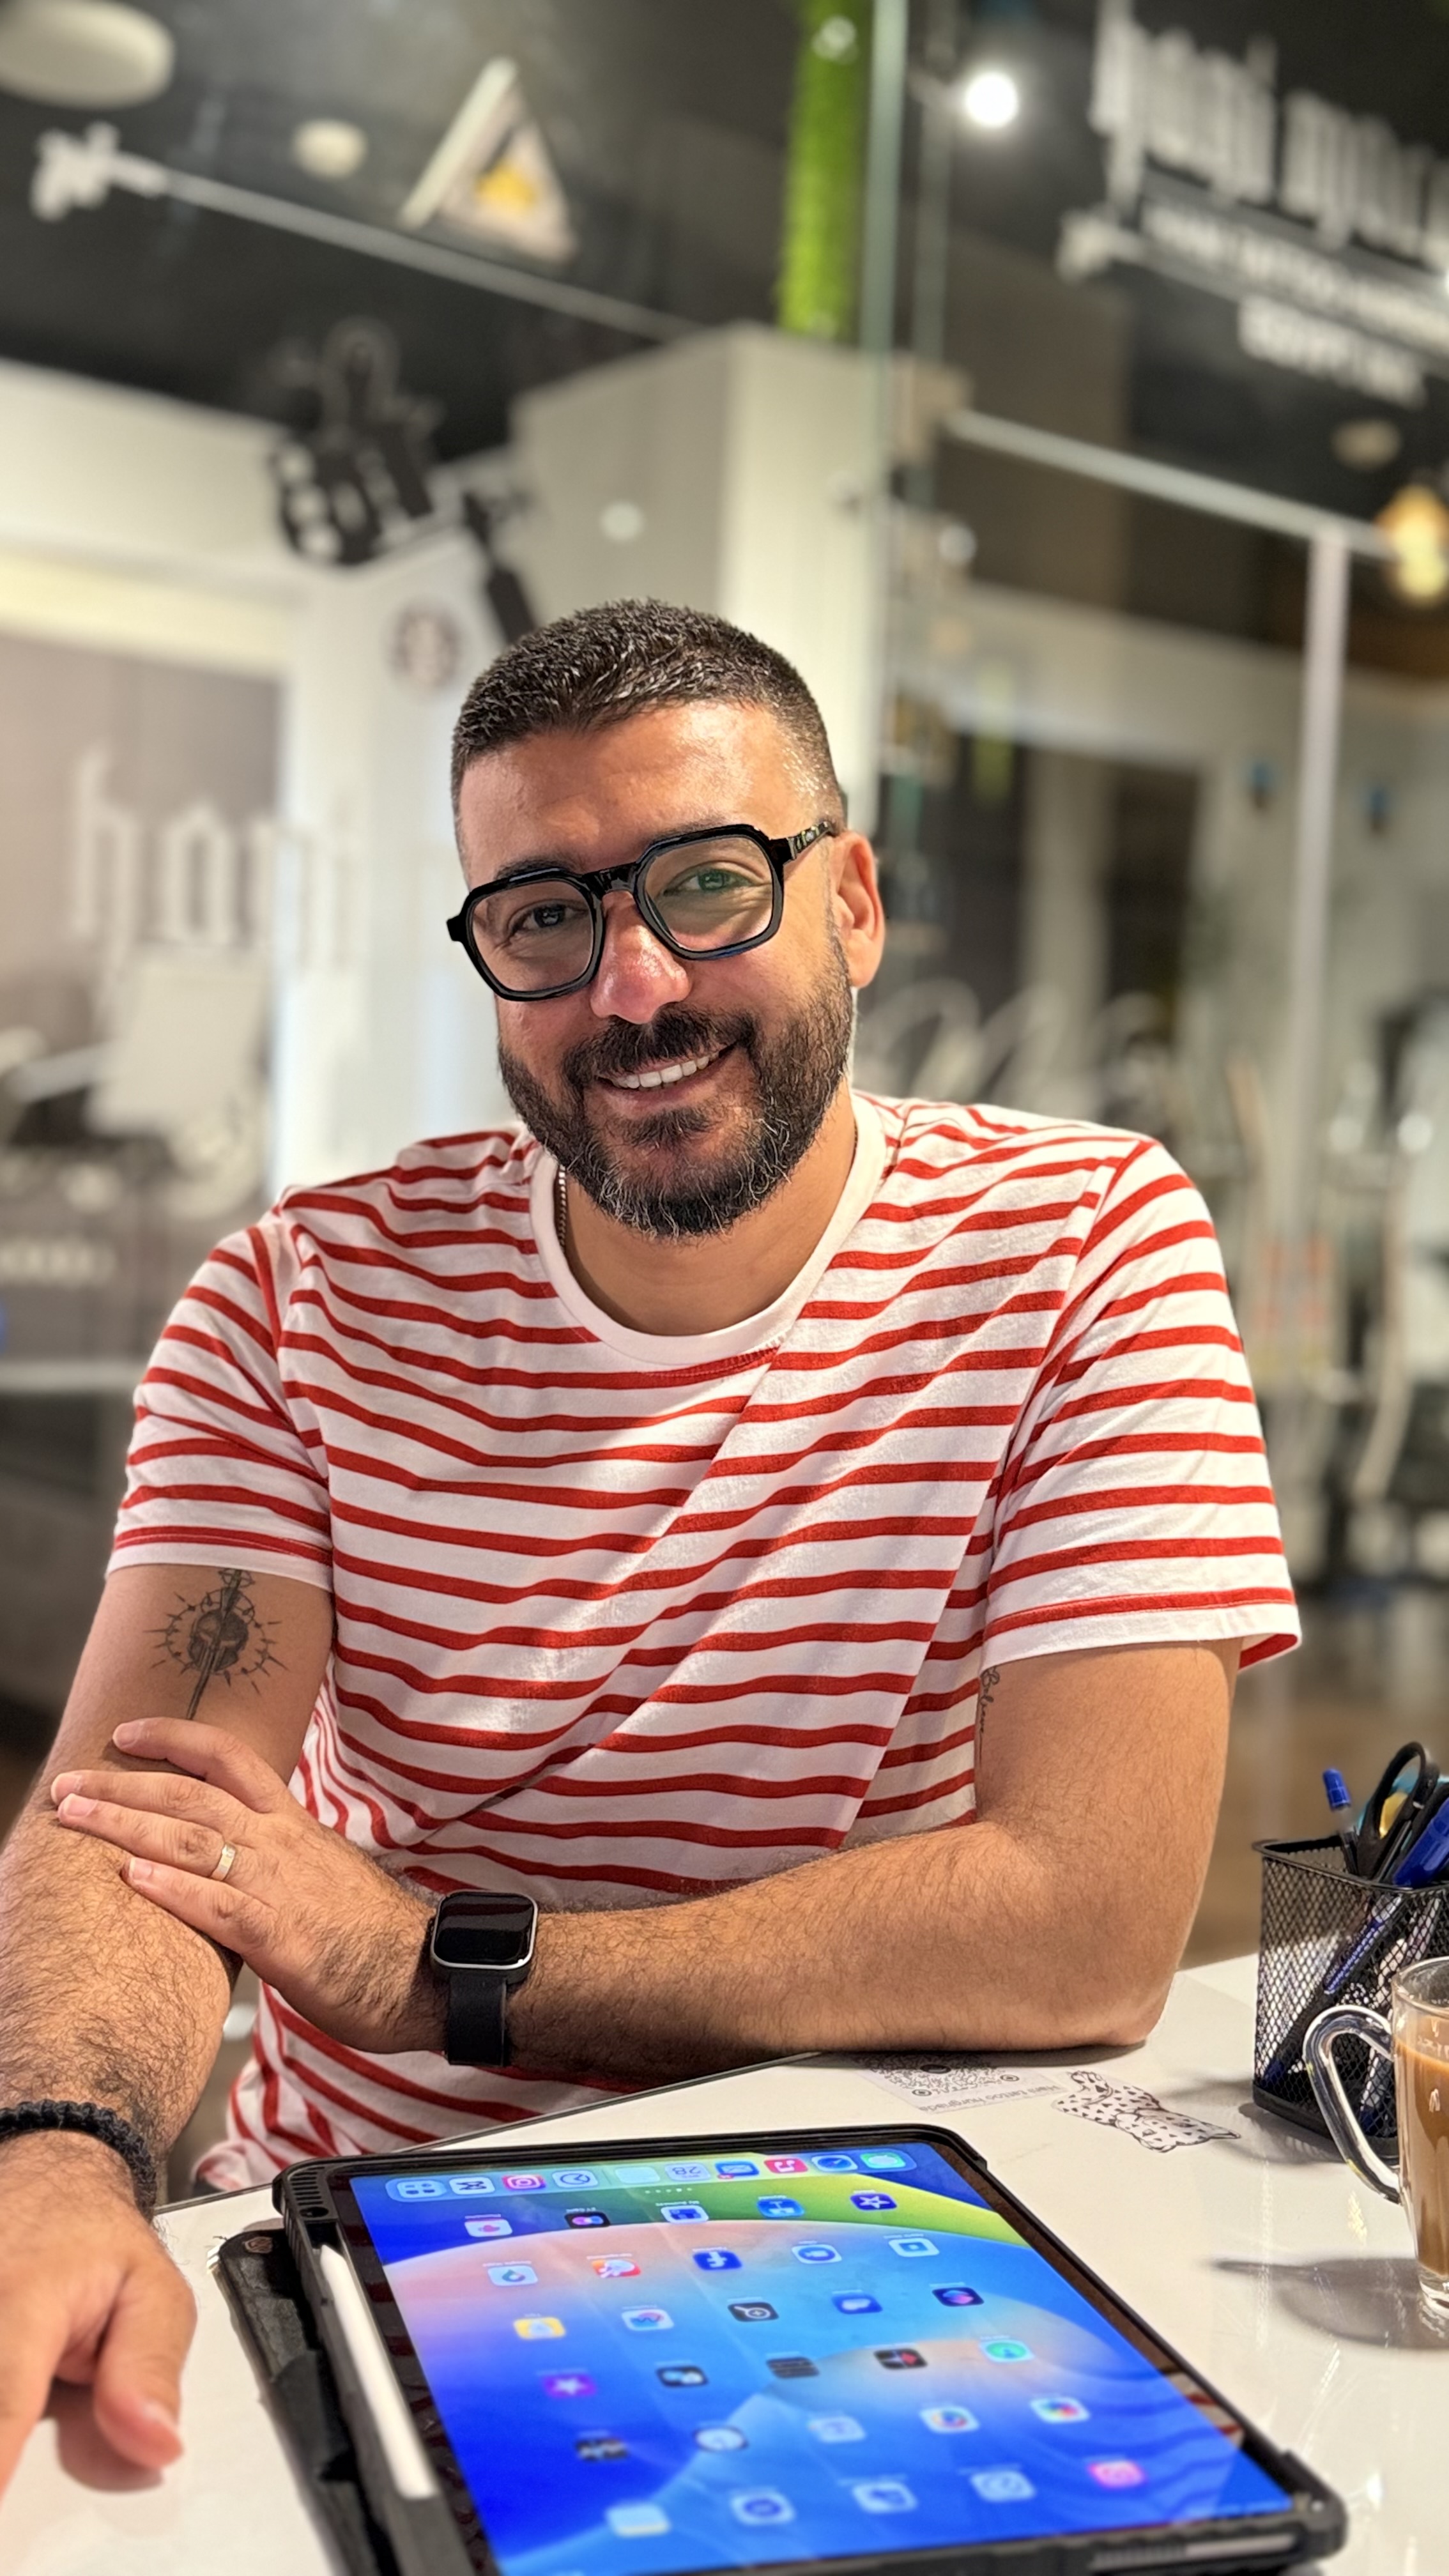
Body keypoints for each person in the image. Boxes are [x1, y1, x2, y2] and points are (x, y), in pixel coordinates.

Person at [0, 599, 1296, 2494]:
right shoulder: (300, 1300)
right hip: (366, 2226)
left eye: (707, 884)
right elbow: (137, 1826)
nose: (632, 984)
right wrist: (54, 2163)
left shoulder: (1082, 1243)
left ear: (851, 900)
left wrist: (439, 1965)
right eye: (543, 915)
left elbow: (1082, 1925)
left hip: (876, 2237)